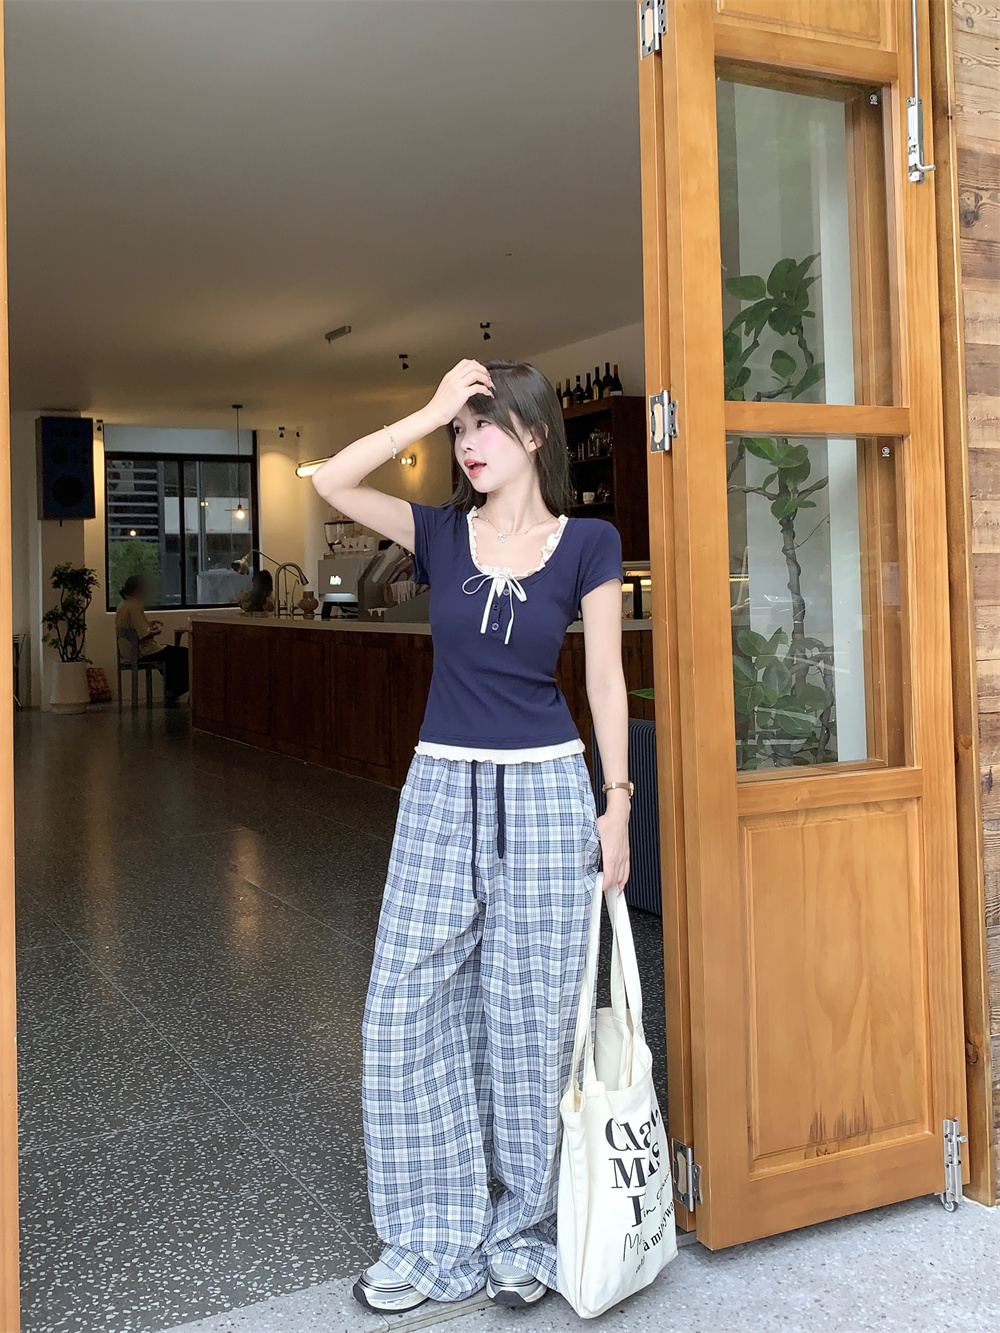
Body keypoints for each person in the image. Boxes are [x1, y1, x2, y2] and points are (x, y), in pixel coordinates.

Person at [313, 359, 632, 1314]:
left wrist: (617, 803)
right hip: (442, 787)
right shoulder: (440, 533)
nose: (467, 444)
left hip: (547, 791)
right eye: (460, 431)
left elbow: (605, 679)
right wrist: (428, 408)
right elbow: (332, 481)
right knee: (405, 1004)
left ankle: (523, 1229)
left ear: (534, 434)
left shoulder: (590, 542)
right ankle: (430, 1232)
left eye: (483, 425)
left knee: (533, 1013)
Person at [114, 575, 189, 704]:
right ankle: (174, 690)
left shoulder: (123, 605)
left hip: (128, 652)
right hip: (140, 652)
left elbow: (134, 628)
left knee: (170, 654)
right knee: (183, 654)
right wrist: (157, 631)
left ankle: (171, 688)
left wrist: (149, 624)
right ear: (138, 589)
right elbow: (144, 635)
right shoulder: (134, 607)